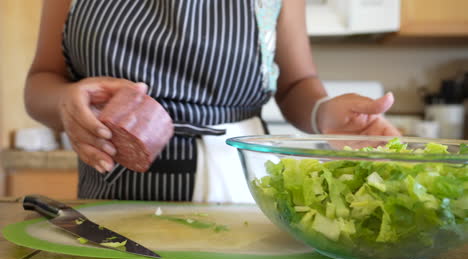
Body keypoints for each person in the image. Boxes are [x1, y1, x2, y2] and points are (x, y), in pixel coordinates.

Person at [24, 0, 400, 202]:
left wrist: (324, 113)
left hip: (242, 189)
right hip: (113, 188)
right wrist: (64, 102)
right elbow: (41, 81)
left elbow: (296, 83)